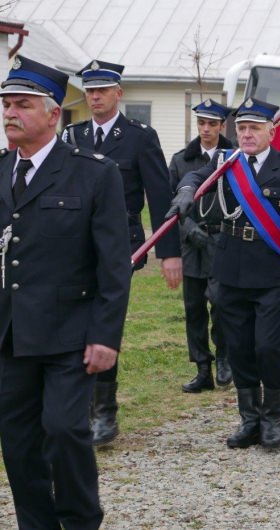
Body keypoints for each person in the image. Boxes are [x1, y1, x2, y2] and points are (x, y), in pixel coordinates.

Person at [0, 55, 131, 530]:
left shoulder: (94, 174)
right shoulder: (0, 171)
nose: (11, 113)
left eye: (23, 105)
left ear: (53, 113)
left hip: (70, 333)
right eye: (7, 105)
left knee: (64, 430)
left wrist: (106, 336)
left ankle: (79, 520)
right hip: (11, 334)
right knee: (15, 441)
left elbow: (114, 265)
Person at [167, 98, 280, 450]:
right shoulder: (225, 163)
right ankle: (249, 418)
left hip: (273, 272)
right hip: (230, 269)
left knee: (267, 346)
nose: (247, 134)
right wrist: (186, 191)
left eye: (255, 128)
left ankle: (273, 416)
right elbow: (194, 175)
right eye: (242, 128)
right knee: (239, 347)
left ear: (271, 131)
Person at [63, 59, 182, 446]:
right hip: (74, 244)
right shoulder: (71, 136)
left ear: (119, 93)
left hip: (120, 242)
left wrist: (169, 252)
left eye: (102, 90)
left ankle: (104, 413)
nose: (94, 97)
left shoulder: (139, 137)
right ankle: (79, 406)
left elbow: (160, 195)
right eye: (89, 90)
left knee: (102, 320)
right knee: (74, 323)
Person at [169, 99, 235, 393]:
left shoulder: (235, 157)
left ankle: (224, 357)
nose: (206, 129)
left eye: (212, 124)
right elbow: (171, 203)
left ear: (222, 126)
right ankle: (202, 368)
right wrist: (189, 228)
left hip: (223, 242)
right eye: (201, 123)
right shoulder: (181, 160)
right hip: (192, 243)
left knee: (221, 305)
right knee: (194, 307)